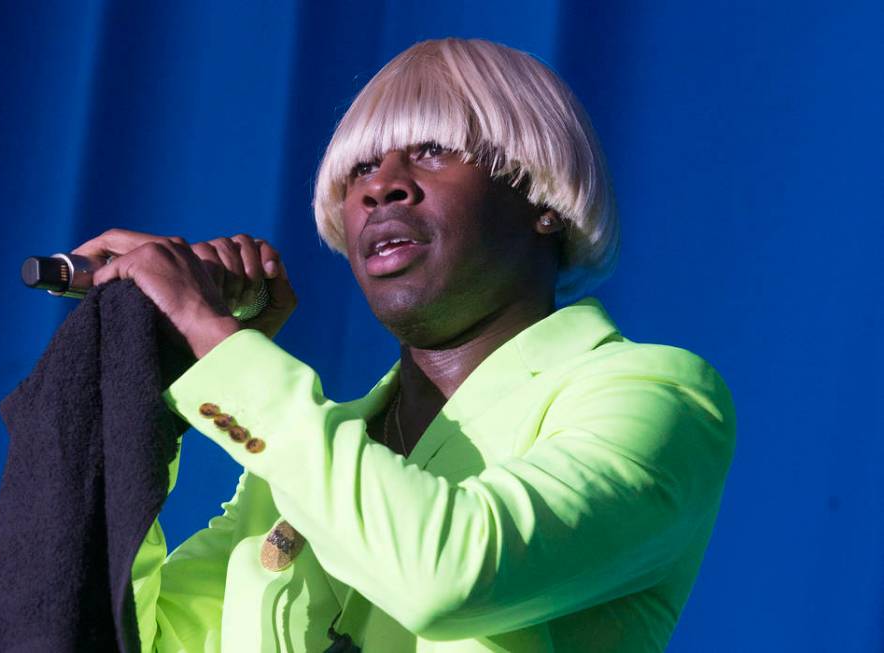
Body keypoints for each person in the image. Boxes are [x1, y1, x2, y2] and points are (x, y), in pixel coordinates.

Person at [73, 38, 736, 653]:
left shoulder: (657, 394)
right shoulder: (301, 457)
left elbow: (449, 574)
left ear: (543, 199)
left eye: (431, 151)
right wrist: (151, 386)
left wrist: (222, 349)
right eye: (360, 167)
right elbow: (127, 638)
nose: (381, 184)